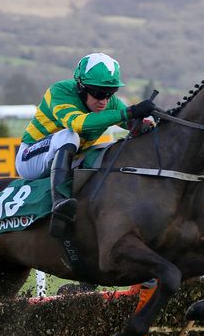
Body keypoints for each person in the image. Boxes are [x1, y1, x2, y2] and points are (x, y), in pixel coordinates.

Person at [14, 52, 155, 237]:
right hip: (30, 160)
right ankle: (60, 204)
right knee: (69, 135)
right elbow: (78, 123)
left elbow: (130, 123)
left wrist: (146, 123)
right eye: (98, 93)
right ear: (80, 87)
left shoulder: (107, 102)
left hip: (73, 158)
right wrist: (130, 112)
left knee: (110, 147)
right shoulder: (60, 91)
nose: (104, 100)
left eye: (110, 93)